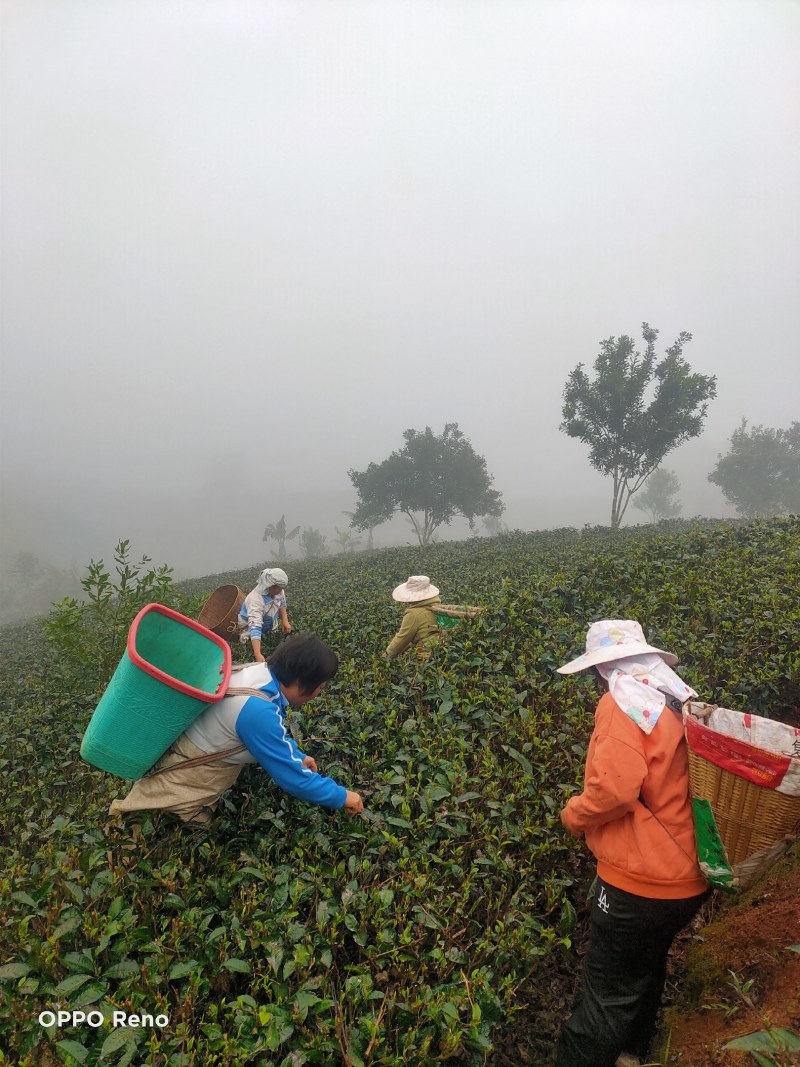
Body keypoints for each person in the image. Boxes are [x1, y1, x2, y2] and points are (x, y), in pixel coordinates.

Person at [553, 620, 710, 1067]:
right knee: (645, 969)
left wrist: (574, 815)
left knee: (605, 993)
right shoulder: (675, 698)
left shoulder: (621, 704)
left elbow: (615, 791)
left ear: (601, 671)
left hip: (637, 884)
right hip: (686, 881)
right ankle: (631, 1054)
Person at [109, 634, 364, 825]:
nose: (319, 694)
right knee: (175, 817)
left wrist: (297, 756)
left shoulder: (259, 673)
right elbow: (293, 779)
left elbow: (274, 740)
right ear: (299, 682)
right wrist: (342, 796)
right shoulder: (258, 711)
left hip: (196, 741)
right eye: (319, 687)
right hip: (197, 764)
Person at [238, 567, 292, 662]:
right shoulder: (255, 599)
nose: (281, 591)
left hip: (270, 621)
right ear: (271, 586)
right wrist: (257, 654)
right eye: (279, 589)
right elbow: (255, 626)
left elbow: (282, 603)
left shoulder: (278, 590)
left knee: (271, 640)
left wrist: (285, 621)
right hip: (249, 625)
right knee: (246, 643)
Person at [384, 575, 442, 659]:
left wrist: (385, 657)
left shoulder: (413, 614)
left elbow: (401, 639)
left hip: (427, 657)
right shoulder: (437, 606)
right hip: (440, 651)